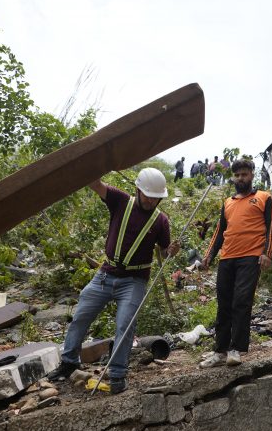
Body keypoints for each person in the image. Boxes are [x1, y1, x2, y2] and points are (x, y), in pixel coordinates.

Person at [46, 167, 180, 393]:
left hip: (134, 281)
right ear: (137, 189)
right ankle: (69, 362)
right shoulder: (120, 200)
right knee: (81, 316)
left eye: (156, 198)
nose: (151, 201)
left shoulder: (161, 221)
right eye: (148, 195)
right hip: (106, 275)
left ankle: (117, 375)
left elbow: (165, 252)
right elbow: (94, 183)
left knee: (125, 325)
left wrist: (171, 251)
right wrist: (103, 160)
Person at [198, 158, 272, 367]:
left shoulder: (263, 198)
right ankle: (220, 351)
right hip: (227, 258)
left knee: (241, 301)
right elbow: (219, 233)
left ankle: (235, 349)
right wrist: (209, 256)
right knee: (224, 303)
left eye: (244, 174)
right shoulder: (228, 202)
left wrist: (267, 253)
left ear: (252, 174)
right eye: (238, 175)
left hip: (250, 257)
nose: (241, 178)